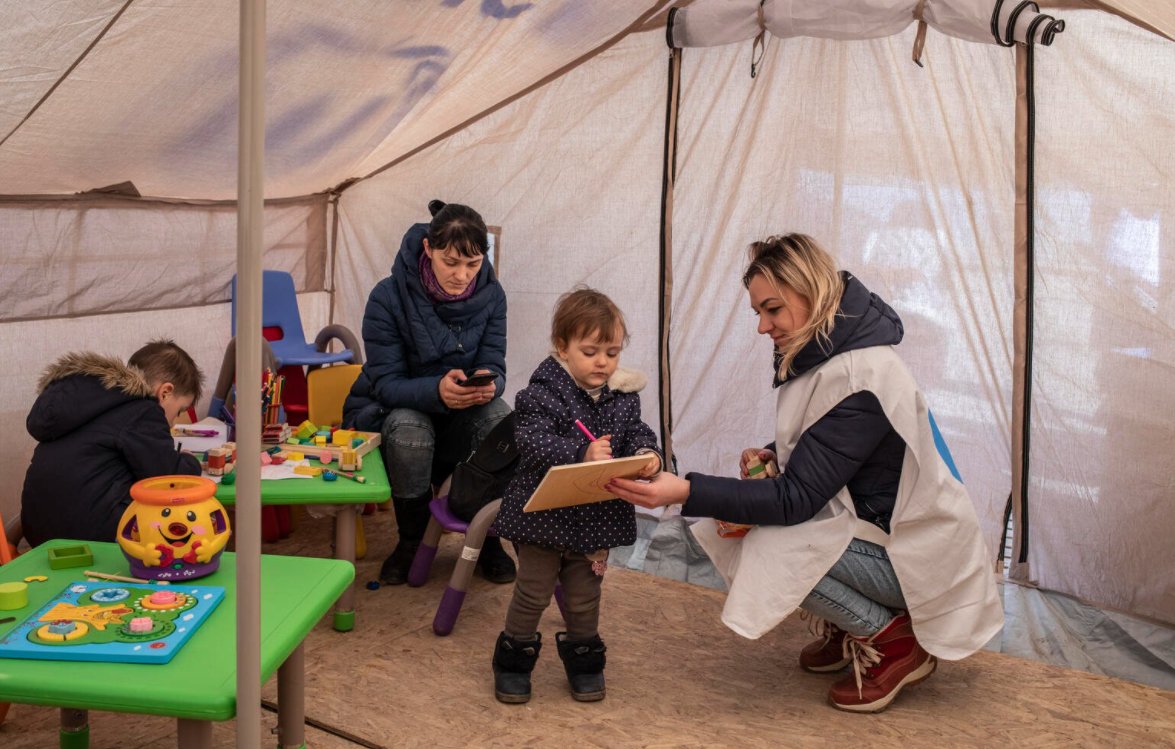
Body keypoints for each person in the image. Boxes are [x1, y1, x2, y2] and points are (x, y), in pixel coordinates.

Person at [608, 234, 1002, 713]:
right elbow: (837, 442)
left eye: (771, 309)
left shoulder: (863, 375)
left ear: (810, 293)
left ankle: (891, 638)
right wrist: (778, 451)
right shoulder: (837, 349)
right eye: (758, 312)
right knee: (749, 525)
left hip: (918, 561)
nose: (762, 326)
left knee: (771, 542)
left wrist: (686, 490)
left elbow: (795, 501)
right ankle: (853, 624)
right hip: (886, 538)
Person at [490, 288, 662, 704]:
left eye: (612, 352)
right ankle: (513, 661)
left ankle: (585, 662)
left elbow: (637, 434)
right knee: (531, 594)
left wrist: (648, 455)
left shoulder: (624, 398)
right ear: (562, 348)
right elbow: (531, 442)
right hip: (541, 521)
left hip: (595, 521)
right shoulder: (538, 394)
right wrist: (579, 453)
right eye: (590, 351)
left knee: (585, 599)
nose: (602, 362)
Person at [343, 200, 514, 585]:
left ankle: (488, 538)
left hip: (461, 412)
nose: (461, 275)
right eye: (450, 262)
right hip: (398, 410)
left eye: (472, 265)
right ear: (428, 249)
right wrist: (437, 391)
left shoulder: (493, 295)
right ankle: (411, 541)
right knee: (408, 428)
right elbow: (385, 384)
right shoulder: (387, 297)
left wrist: (489, 381)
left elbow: (496, 364)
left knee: (499, 417)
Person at [21, 339, 204, 546]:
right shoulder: (143, 410)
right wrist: (190, 461)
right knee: (184, 529)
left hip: (39, 532)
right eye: (179, 411)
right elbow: (167, 478)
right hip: (94, 534)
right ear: (165, 392)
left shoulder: (90, 402)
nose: (172, 423)